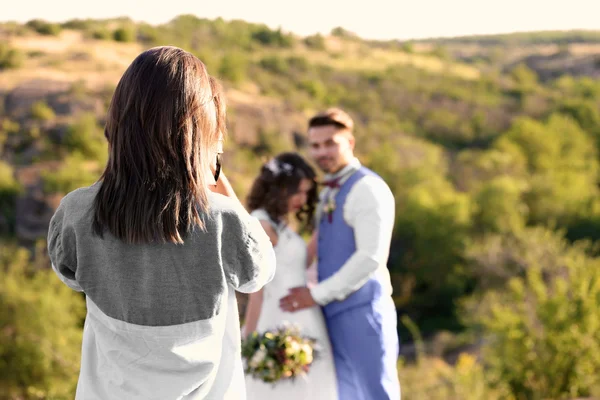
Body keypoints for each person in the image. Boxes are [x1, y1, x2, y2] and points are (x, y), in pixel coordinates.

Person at [47, 46, 276, 400]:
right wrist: (214, 171)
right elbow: (258, 274)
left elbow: (70, 277)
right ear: (200, 132)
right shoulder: (224, 220)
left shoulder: (76, 211)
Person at [279, 108, 401, 399]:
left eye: (330, 143)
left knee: (377, 394)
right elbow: (321, 244)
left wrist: (315, 294)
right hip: (332, 315)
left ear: (350, 142)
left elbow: (370, 258)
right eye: (315, 145)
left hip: (363, 313)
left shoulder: (368, 188)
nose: (322, 152)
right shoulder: (330, 191)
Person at [242, 152, 338, 399]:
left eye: (307, 192)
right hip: (279, 321)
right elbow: (257, 290)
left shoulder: (281, 222)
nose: (303, 199)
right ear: (280, 189)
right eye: (299, 192)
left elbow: (297, 264)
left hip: (305, 317)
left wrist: (322, 230)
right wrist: (249, 340)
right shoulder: (263, 225)